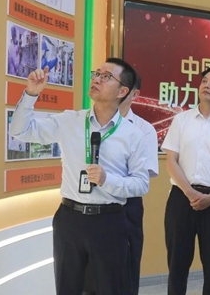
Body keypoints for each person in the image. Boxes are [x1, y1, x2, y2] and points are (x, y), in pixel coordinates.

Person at [9, 57, 150, 295]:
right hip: (70, 219)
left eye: (106, 77)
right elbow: (20, 131)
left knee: (109, 288)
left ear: (122, 91)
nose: (97, 79)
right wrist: (31, 94)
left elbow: (141, 184)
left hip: (109, 221)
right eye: (97, 74)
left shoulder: (133, 135)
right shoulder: (70, 121)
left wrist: (107, 180)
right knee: (67, 287)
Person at [161, 66, 210, 295]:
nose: (207, 85)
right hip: (181, 198)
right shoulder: (181, 120)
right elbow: (171, 161)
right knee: (177, 263)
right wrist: (190, 193)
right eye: (205, 80)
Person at [83, 73, 159, 295]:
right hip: (90, 202)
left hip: (126, 206)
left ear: (132, 93)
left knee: (124, 271)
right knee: (89, 273)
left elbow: (143, 176)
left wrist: (109, 179)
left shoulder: (143, 129)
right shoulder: (86, 122)